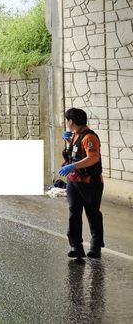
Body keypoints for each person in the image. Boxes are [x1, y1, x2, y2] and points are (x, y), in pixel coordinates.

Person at [58, 107, 104, 259]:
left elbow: (93, 158)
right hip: (74, 181)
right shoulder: (76, 135)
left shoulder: (89, 137)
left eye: (67, 121)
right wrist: (69, 142)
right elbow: (77, 153)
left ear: (71, 121)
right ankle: (76, 246)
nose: (67, 123)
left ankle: (96, 247)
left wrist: (74, 166)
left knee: (93, 213)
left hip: (90, 182)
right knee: (74, 212)